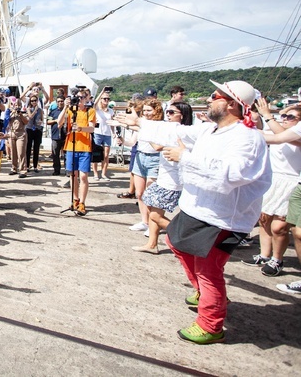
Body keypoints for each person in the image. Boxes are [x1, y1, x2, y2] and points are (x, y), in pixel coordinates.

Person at [118, 79, 271, 344]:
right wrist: (140, 123)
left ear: (232, 105)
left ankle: (211, 324)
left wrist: (185, 158)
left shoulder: (248, 138)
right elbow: (179, 132)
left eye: (215, 95)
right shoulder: (211, 130)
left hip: (221, 216)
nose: (210, 99)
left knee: (208, 268)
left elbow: (232, 174)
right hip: (198, 208)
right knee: (176, 242)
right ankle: (206, 293)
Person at [240, 100, 301, 276]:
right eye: (283, 116)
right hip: (273, 178)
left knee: (279, 227)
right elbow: (259, 132)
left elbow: (279, 136)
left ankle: (277, 259)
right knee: (264, 219)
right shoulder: (277, 129)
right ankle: (264, 254)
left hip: (290, 181)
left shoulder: (293, 135)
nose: (284, 119)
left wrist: (268, 116)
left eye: (290, 117)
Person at [131, 102, 193, 253]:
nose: (168, 115)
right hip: (164, 178)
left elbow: (157, 146)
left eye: (172, 112)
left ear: (182, 115)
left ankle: (186, 240)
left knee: (154, 215)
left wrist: (143, 129)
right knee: (152, 208)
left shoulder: (182, 132)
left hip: (172, 182)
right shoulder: (170, 129)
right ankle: (152, 244)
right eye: (168, 112)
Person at [58, 87, 96, 216]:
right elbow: (59, 123)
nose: (79, 101)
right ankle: (75, 199)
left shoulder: (90, 111)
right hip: (71, 145)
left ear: (86, 99)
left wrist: (80, 128)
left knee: (83, 176)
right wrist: (65, 107)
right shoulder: (71, 110)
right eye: (77, 98)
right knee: (73, 175)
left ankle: (82, 202)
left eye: (81, 98)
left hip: (85, 146)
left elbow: (91, 129)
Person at [129, 99, 165, 232]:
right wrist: (121, 140)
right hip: (140, 156)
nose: (146, 113)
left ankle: (154, 223)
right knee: (140, 193)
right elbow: (132, 141)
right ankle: (145, 221)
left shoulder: (161, 125)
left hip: (155, 159)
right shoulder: (141, 125)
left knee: (152, 194)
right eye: (144, 110)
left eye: (149, 110)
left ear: (157, 111)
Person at [92, 88, 115, 180]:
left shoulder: (110, 111)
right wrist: (102, 92)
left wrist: (114, 133)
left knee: (106, 155)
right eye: (104, 98)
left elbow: (112, 123)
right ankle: (95, 173)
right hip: (97, 133)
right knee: (97, 154)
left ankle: (104, 173)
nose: (106, 100)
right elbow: (93, 103)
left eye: (108, 99)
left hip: (107, 134)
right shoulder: (97, 109)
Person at [6, 96, 28, 177]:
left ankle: (23, 170)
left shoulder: (23, 111)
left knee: (21, 152)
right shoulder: (9, 112)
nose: (15, 106)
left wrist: (20, 114)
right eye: (13, 104)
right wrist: (11, 112)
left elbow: (26, 122)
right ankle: (14, 168)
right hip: (12, 133)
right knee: (13, 152)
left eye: (17, 104)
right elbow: (6, 120)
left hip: (21, 133)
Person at [24, 94, 44, 173]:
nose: (34, 102)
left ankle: (35, 166)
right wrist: (35, 110)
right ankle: (27, 166)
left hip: (37, 129)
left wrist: (40, 122)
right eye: (32, 101)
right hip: (29, 129)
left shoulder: (40, 110)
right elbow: (30, 116)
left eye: (35, 100)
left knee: (36, 148)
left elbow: (42, 119)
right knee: (28, 148)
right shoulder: (29, 108)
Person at [46, 95, 65, 176]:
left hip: (65, 136)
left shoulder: (67, 111)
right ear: (56, 103)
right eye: (59, 101)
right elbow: (48, 121)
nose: (60, 103)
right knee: (55, 154)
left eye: (62, 101)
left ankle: (68, 171)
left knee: (67, 155)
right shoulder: (53, 111)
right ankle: (56, 170)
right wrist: (55, 120)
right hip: (55, 136)